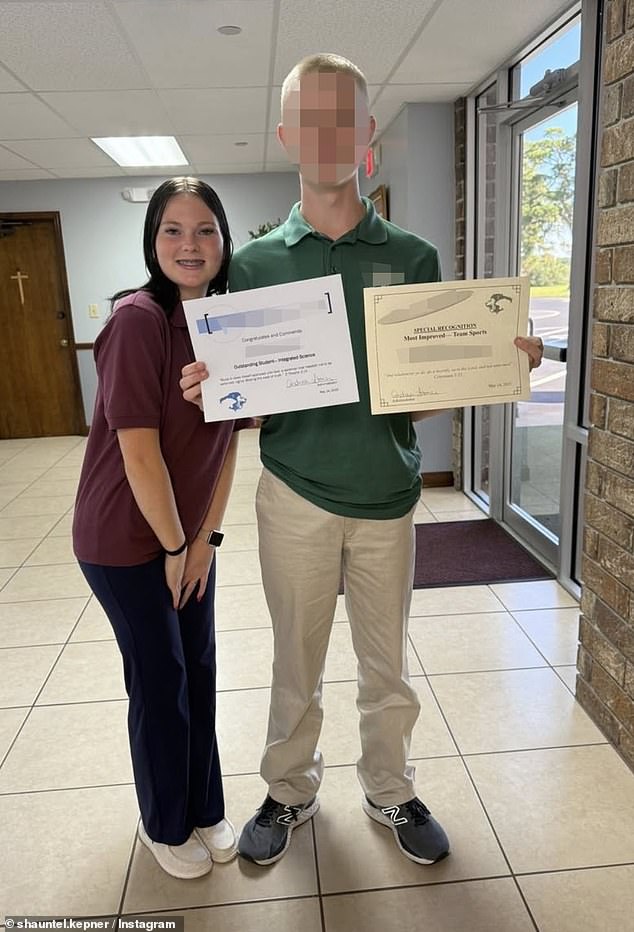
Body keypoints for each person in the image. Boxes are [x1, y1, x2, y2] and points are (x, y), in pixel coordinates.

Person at [181, 54, 544, 869]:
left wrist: (492, 365)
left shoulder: (412, 257)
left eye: (341, 116)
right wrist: (218, 385)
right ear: (286, 136)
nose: (325, 134)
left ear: (366, 132)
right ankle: (288, 792)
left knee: (388, 665)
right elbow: (252, 399)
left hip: (386, 494)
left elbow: (417, 394)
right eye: (308, 119)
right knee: (294, 660)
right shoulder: (255, 264)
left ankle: (390, 788)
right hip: (296, 496)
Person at [73, 177, 251, 880]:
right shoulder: (137, 320)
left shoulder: (227, 320)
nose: (190, 244)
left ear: (224, 241)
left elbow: (228, 442)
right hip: (125, 539)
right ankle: (164, 823)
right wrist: (175, 546)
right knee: (160, 677)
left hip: (189, 537)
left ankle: (205, 808)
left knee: (199, 670)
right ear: (153, 242)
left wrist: (204, 541)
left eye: (205, 229)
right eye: (172, 230)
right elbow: (138, 452)